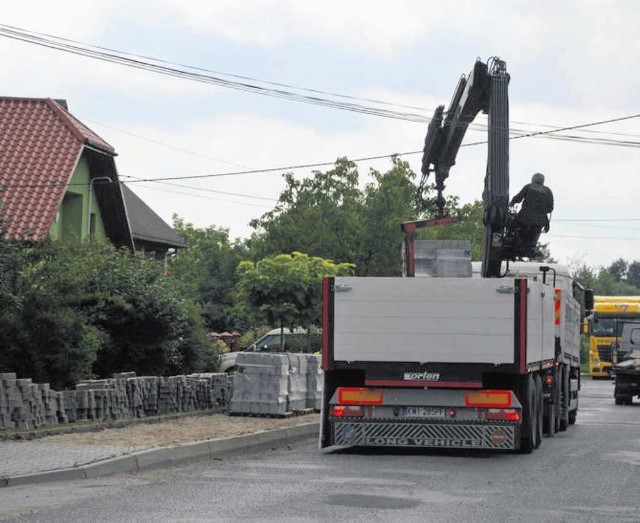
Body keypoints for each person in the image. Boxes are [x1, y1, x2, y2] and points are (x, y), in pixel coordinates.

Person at [509, 173, 554, 257]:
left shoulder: (528, 187)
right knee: (536, 231)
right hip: (539, 222)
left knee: (512, 224)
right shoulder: (548, 191)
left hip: (523, 219)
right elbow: (550, 208)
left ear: (533, 179)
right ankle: (531, 248)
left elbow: (518, 198)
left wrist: (511, 203)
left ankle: (517, 244)